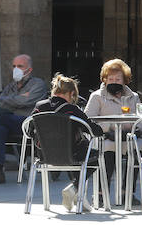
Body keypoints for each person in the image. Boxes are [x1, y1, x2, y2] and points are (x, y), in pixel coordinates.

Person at [34, 73, 103, 212]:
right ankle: (75, 188)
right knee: (93, 156)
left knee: (81, 151)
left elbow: (29, 130)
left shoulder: (39, 106)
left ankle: (79, 196)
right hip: (71, 155)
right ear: (72, 93)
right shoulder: (72, 109)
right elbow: (95, 131)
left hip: (43, 156)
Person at [84, 59, 142, 206]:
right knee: (109, 150)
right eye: (110, 79)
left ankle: (127, 192)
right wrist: (108, 127)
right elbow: (88, 119)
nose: (114, 81)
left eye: (118, 79)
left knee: (138, 147)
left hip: (128, 137)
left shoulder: (133, 97)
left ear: (125, 81)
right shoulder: (97, 96)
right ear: (105, 79)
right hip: (106, 138)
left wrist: (134, 127)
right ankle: (100, 193)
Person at [0, 54, 46, 184]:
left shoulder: (38, 84)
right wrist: (19, 99)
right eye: (14, 66)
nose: (16, 69)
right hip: (9, 122)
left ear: (29, 69)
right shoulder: (11, 86)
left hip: (28, 123)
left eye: (20, 66)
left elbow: (27, 101)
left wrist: (11, 101)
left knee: (2, 118)